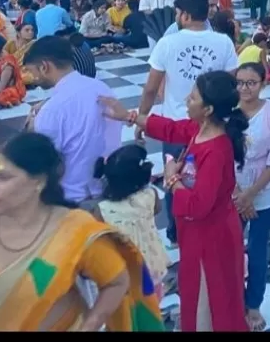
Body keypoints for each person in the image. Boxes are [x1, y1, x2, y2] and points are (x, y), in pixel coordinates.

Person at [100, 70, 248, 332]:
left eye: (192, 98)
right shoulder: (200, 129)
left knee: (210, 303)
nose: (186, 101)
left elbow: (199, 205)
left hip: (211, 239)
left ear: (208, 108)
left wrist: (172, 180)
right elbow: (171, 128)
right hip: (197, 234)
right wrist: (129, 116)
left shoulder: (215, 150)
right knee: (196, 294)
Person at [0, 132, 164, 332]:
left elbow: (117, 282)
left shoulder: (74, 230)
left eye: (3, 177)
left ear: (38, 182)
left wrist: (90, 325)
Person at [136, 0, 238, 244]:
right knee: (211, 180)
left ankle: (176, 231)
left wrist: (142, 117)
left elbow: (151, 88)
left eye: (177, 13)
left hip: (174, 125)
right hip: (212, 125)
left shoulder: (167, 43)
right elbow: (231, 82)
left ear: (186, 15)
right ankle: (208, 225)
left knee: (174, 177)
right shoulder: (223, 41)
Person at [22, 36, 122, 207]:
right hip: (109, 190)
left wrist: (31, 131)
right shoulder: (102, 88)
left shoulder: (52, 110)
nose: (32, 77)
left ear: (44, 67)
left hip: (72, 198)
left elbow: (41, 161)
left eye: (32, 71)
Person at [233, 62, 270, 332]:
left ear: (262, 84)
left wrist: (251, 195)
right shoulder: (227, 114)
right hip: (231, 194)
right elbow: (220, 157)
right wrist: (238, 195)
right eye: (240, 82)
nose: (245, 88)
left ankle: (253, 304)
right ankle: (231, 301)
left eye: (251, 83)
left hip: (265, 193)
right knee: (230, 251)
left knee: (257, 251)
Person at [94, 144, 170, 297]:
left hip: (124, 273)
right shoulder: (150, 194)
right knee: (153, 306)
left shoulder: (102, 209)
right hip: (153, 267)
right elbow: (157, 209)